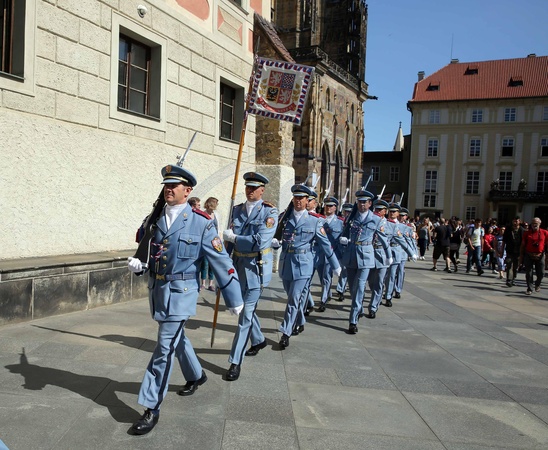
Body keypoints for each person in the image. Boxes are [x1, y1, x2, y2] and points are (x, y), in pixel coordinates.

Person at [127, 164, 243, 435]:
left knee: (164, 348)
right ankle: (196, 375)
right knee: (177, 339)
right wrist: (140, 266)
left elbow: (221, 260)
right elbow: (150, 252)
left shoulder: (201, 222)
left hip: (182, 293)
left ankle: (151, 406)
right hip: (158, 291)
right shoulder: (155, 218)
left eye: (174, 186)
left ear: (187, 190)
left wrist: (233, 296)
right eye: (166, 186)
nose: (168, 189)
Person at [222, 172, 278, 381]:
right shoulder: (236, 210)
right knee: (246, 310)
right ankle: (259, 339)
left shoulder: (269, 212)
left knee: (245, 316)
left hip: (256, 269)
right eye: (248, 187)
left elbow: (260, 241)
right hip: (238, 267)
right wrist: (223, 268)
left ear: (262, 190)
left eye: (255, 188)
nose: (250, 190)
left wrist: (235, 238)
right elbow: (228, 244)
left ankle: (235, 362)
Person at [275, 184, 341, 348]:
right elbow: (277, 237)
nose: (298, 201)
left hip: (304, 264)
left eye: (302, 198)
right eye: (296, 197)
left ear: (307, 200)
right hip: (286, 263)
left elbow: (325, 244)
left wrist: (335, 265)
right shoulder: (284, 218)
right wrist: (274, 243)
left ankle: (285, 332)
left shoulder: (315, 221)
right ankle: (300, 321)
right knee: (291, 296)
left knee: (294, 298)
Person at [339, 189, 390, 334]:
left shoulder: (375, 219)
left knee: (360, 287)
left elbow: (383, 239)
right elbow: (345, 233)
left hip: (366, 256)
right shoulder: (351, 218)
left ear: (369, 204)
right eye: (359, 202)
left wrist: (388, 255)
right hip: (351, 255)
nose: (361, 204)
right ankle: (359, 307)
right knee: (352, 288)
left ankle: (353, 321)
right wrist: (343, 239)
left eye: (364, 202)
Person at [384, 203, 416, 305]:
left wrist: (413, 252)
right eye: (390, 211)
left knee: (392, 274)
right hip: (384, 251)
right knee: (383, 275)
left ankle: (388, 296)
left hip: (397, 251)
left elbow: (408, 240)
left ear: (398, 213)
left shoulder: (403, 227)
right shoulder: (383, 223)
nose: (392, 213)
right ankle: (382, 293)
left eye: (394, 211)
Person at [317, 196, 344, 312]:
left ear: (335, 208)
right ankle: (328, 294)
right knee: (321, 276)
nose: (328, 208)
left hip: (332, 253)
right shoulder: (319, 219)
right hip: (319, 252)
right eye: (326, 205)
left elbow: (342, 239)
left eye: (331, 206)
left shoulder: (340, 222)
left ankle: (323, 301)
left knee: (326, 276)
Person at [519, 217, 547, 295]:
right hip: (529, 254)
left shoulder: (544, 232)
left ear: (539, 224)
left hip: (540, 255)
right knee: (529, 273)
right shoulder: (527, 233)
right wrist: (521, 255)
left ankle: (537, 284)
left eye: (536, 223)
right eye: (533, 223)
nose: (534, 225)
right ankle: (529, 288)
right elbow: (523, 245)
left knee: (541, 272)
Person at [335, 202, 354, 300]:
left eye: (349, 212)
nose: (347, 213)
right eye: (345, 211)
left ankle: (341, 289)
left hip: (348, 248)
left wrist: (349, 240)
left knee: (345, 269)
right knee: (342, 269)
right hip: (339, 248)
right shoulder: (339, 221)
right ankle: (341, 288)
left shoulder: (353, 222)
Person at [200, 197, 220, 291]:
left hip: (215, 242)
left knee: (212, 264)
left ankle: (211, 284)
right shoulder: (203, 214)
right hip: (205, 241)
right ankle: (203, 283)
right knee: (205, 263)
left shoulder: (216, 215)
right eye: (216, 203)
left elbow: (218, 228)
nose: (217, 205)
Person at [502, 216, 523, 287]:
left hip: (518, 251)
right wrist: (502, 251)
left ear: (519, 221)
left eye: (516, 221)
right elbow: (504, 241)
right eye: (514, 221)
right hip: (509, 250)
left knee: (515, 267)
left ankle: (513, 278)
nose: (515, 222)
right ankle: (509, 280)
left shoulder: (522, 230)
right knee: (509, 265)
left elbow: (524, 242)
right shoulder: (508, 229)